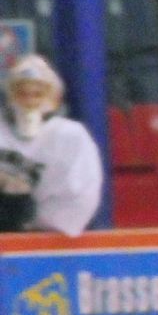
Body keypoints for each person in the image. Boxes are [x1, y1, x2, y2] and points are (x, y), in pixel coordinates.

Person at [0, 54, 103, 236]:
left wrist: (33, 216)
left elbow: (81, 193)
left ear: (52, 97)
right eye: (22, 93)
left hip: (46, 238)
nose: (29, 101)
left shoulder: (70, 135)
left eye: (37, 94)